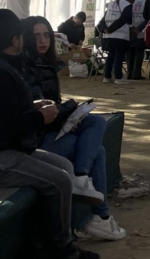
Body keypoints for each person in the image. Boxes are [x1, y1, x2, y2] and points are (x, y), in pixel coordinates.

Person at [0, 9, 101, 259]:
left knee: (62, 166)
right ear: (16, 40)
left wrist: (34, 107)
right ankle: (60, 251)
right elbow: (6, 126)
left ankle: (45, 240)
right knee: (59, 180)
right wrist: (41, 117)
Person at [22, 17, 126, 241]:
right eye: (36, 36)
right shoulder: (26, 67)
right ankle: (100, 215)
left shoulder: (46, 63)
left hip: (51, 128)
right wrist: (68, 108)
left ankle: (84, 185)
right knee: (97, 151)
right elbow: (42, 110)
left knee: (96, 122)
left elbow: (51, 108)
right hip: (35, 139)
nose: (43, 40)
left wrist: (71, 115)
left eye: (46, 35)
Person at [98, 0, 133, 84]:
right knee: (119, 56)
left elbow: (103, 20)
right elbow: (124, 20)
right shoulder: (128, 5)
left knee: (111, 56)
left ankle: (107, 76)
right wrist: (110, 29)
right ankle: (118, 77)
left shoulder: (111, 4)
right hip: (120, 36)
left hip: (108, 36)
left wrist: (104, 29)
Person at [124, 0, 149, 81]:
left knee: (129, 51)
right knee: (139, 52)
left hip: (128, 29)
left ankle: (129, 73)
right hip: (141, 29)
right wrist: (140, 28)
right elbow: (148, 17)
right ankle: (136, 72)